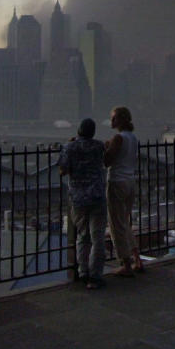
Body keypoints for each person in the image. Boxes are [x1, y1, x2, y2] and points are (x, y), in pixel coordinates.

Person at [59, 119, 107, 289]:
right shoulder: (99, 146)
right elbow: (105, 161)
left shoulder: (69, 148)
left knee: (82, 235)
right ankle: (96, 276)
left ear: (78, 131)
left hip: (78, 198)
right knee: (98, 237)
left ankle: (82, 271)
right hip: (97, 196)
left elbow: (62, 170)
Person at [104, 106, 143, 276]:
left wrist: (106, 147)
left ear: (121, 120)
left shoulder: (118, 138)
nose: (111, 121)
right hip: (130, 182)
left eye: (114, 118)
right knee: (125, 222)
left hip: (117, 182)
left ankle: (125, 263)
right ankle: (137, 258)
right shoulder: (133, 138)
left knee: (116, 225)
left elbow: (107, 161)